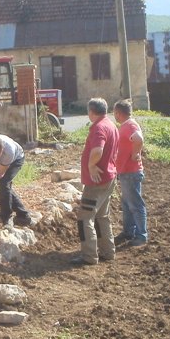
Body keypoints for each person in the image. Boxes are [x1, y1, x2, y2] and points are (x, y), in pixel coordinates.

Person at [72, 98, 119, 266]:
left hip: (97, 181)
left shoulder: (99, 128)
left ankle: (89, 256)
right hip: (109, 178)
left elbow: (98, 150)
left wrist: (91, 165)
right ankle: (108, 251)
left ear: (91, 112)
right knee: (102, 216)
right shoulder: (111, 125)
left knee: (85, 217)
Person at [113, 99, 148, 247]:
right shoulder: (127, 125)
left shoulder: (129, 125)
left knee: (134, 204)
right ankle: (129, 232)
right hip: (126, 172)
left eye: (114, 113)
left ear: (118, 113)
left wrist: (135, 154)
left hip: (130, 172)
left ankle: (141, 235)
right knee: (127, 203)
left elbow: (138, 139)